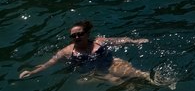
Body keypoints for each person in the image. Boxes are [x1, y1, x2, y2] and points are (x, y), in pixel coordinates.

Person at [18, 20, 156, 84]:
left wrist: (135, 41)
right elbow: (49, 63)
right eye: (73, 36)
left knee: (140, 74)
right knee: (119, 82)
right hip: (94, 71)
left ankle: (162, 82)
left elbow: (119, 40)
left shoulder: (99, 41)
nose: (77, 37)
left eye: (80, 34)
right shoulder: (66, 52)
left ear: (87, 34)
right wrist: (32, 72)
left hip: (111, 63)